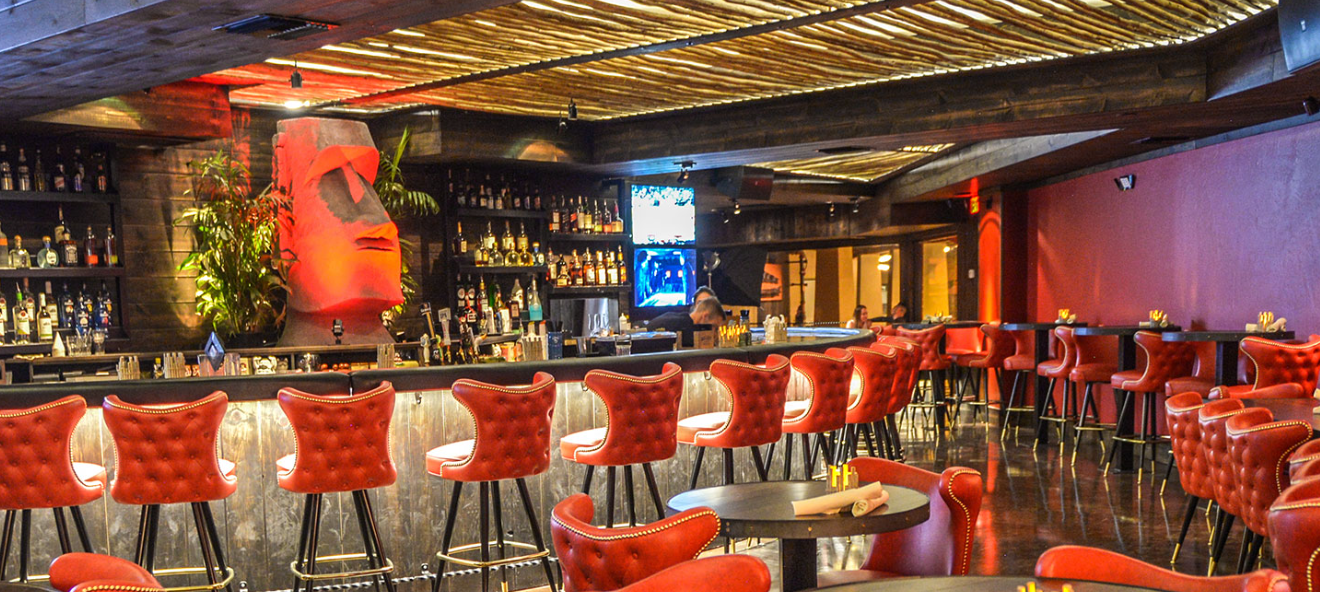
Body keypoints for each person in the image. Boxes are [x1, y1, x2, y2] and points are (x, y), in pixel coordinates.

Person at [647, 297, 727, 332]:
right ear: (705, 316)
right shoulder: (687, 329)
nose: (714, 333)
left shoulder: (677, 318)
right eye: (714, 327)